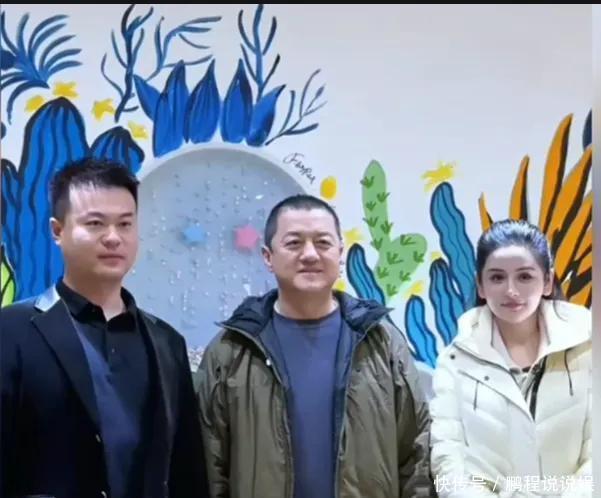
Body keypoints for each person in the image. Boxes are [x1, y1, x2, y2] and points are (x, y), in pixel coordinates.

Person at [196, 194, 435, 498]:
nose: (309, 254)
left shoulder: (382, 343)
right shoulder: (231, 350)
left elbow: (416, 454)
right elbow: (208, 466)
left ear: (340, 253)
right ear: (268, 257)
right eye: (294, 243)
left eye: (322, 243)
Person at [1, 158, 208, 498]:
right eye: (95, 223)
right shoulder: (11, 331)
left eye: (125, 224)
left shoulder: (167, 342)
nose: (113, 237)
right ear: (57, 231)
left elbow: (188, 472)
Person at [430, 219, 592, 497]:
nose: (511, 290)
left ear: (547, 281)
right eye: (497, 278)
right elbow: (448, 459)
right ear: (480, 286)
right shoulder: (454, 361)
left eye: (524, 277)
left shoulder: (588, 347)